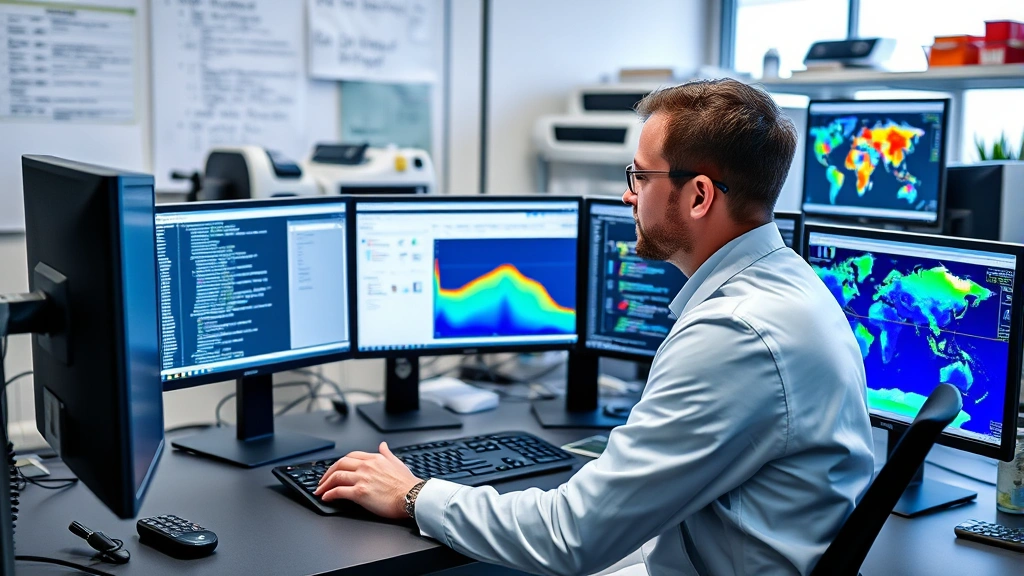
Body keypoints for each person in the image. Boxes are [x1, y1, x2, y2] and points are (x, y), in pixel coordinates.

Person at [314, 78, 875, 576]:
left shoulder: (734, 334)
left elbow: (569, 537)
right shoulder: (791, 283)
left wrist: (413, 495)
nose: (628, 194)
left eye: (640, 175)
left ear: (700, 195)